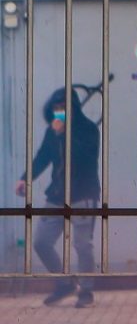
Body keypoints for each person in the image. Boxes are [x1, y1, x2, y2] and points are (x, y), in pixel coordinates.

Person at [15, 87, 100, 308]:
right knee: (41, 242)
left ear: (73, 108)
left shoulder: (88, 129)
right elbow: (42, 157)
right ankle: (64, 284)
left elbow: (83, 158)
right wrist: (25, 178)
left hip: (83, 194)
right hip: (56, 194)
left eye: (63, 107)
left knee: (82, 245)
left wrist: (63, 135)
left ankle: (86, 291)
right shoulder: (52, 131)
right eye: (56, 108)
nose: (59, 112)